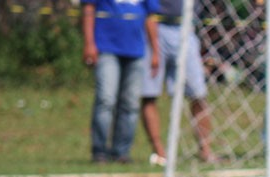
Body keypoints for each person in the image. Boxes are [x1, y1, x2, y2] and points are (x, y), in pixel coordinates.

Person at [81, 0, 160, 163]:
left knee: (130, 104)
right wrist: (89, 43)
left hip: (136, 51)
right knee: (106, 99)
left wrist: (155, 51)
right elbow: (89, 8)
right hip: (106, 48)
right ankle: (99, 151)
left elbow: (150, 17)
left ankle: (121, 153)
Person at [139, 0, 214, 166]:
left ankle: (205, 150)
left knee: (198, 93)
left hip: (186, 26)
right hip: (155, 25)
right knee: (149, 93)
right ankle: (159, 152)